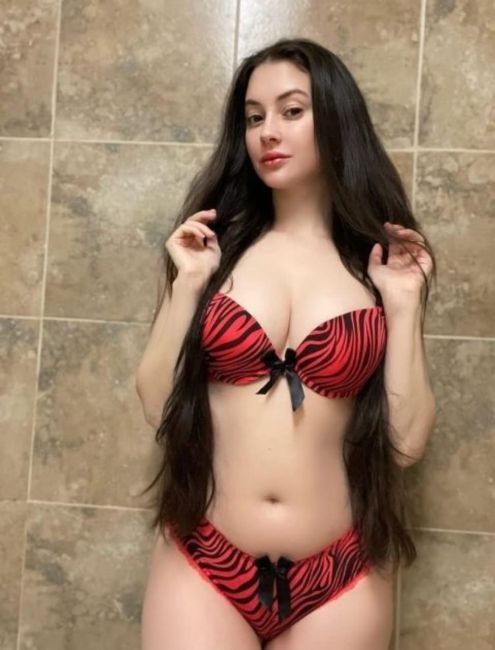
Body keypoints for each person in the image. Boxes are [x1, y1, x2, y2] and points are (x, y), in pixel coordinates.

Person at [136, 37, 437, 650]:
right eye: (254, 118)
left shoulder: (380, 268)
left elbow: (404, 446)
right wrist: (187, 285)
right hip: (205, 562)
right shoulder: (213, 255)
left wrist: (404, 304)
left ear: (335, 119)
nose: (268, 132)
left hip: (340, 576)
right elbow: (157, 406)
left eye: (292, 111)